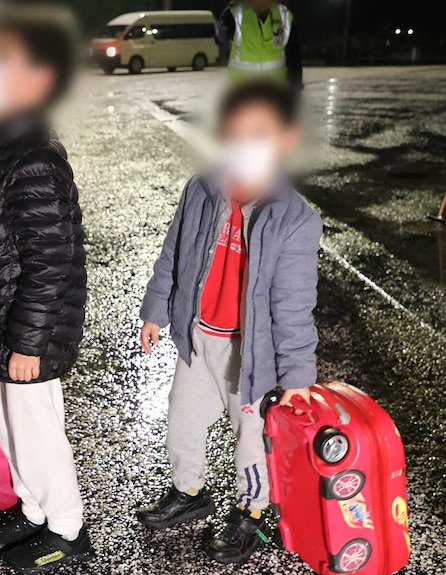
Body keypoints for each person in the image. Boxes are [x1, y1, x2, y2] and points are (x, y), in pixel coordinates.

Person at [136, 81, 321, 565]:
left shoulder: (295, 218)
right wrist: (157, 310)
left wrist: (298, 377)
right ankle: (190, 492)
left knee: (250, 441)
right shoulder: (202, 189)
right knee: (182, 420)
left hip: (252, 354)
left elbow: (295, 304)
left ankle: (252, 513)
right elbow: (172, 256)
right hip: (200, 338)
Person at [0, 7, 94, 572]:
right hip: (3, 323)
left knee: (37, 432)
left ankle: (66, 528)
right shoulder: (1, 148)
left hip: (28, 330)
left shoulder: (32, 157)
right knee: (10, 428)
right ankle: (32, 510)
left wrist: (29, 342)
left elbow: (52, 260)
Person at [218, 0, 303, 90]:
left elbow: (294, 58)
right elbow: (220, 35)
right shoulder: (236, 14)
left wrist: (295, 89)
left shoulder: (284, 15)